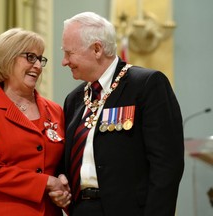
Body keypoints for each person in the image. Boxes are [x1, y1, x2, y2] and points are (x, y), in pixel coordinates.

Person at [58, 12, 184, 216]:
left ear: (97, 49)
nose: (64, 61)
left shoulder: (146, 85)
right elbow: (68, 160)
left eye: (69, 53)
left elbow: (167, 165)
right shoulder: (74, 99)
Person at [0, 28, 71, 216]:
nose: (38, 65)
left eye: (40, 59)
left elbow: (62, 165)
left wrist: (62, 185)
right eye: (30, 57)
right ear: (6, 59)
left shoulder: (55, 111)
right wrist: (46, 182)